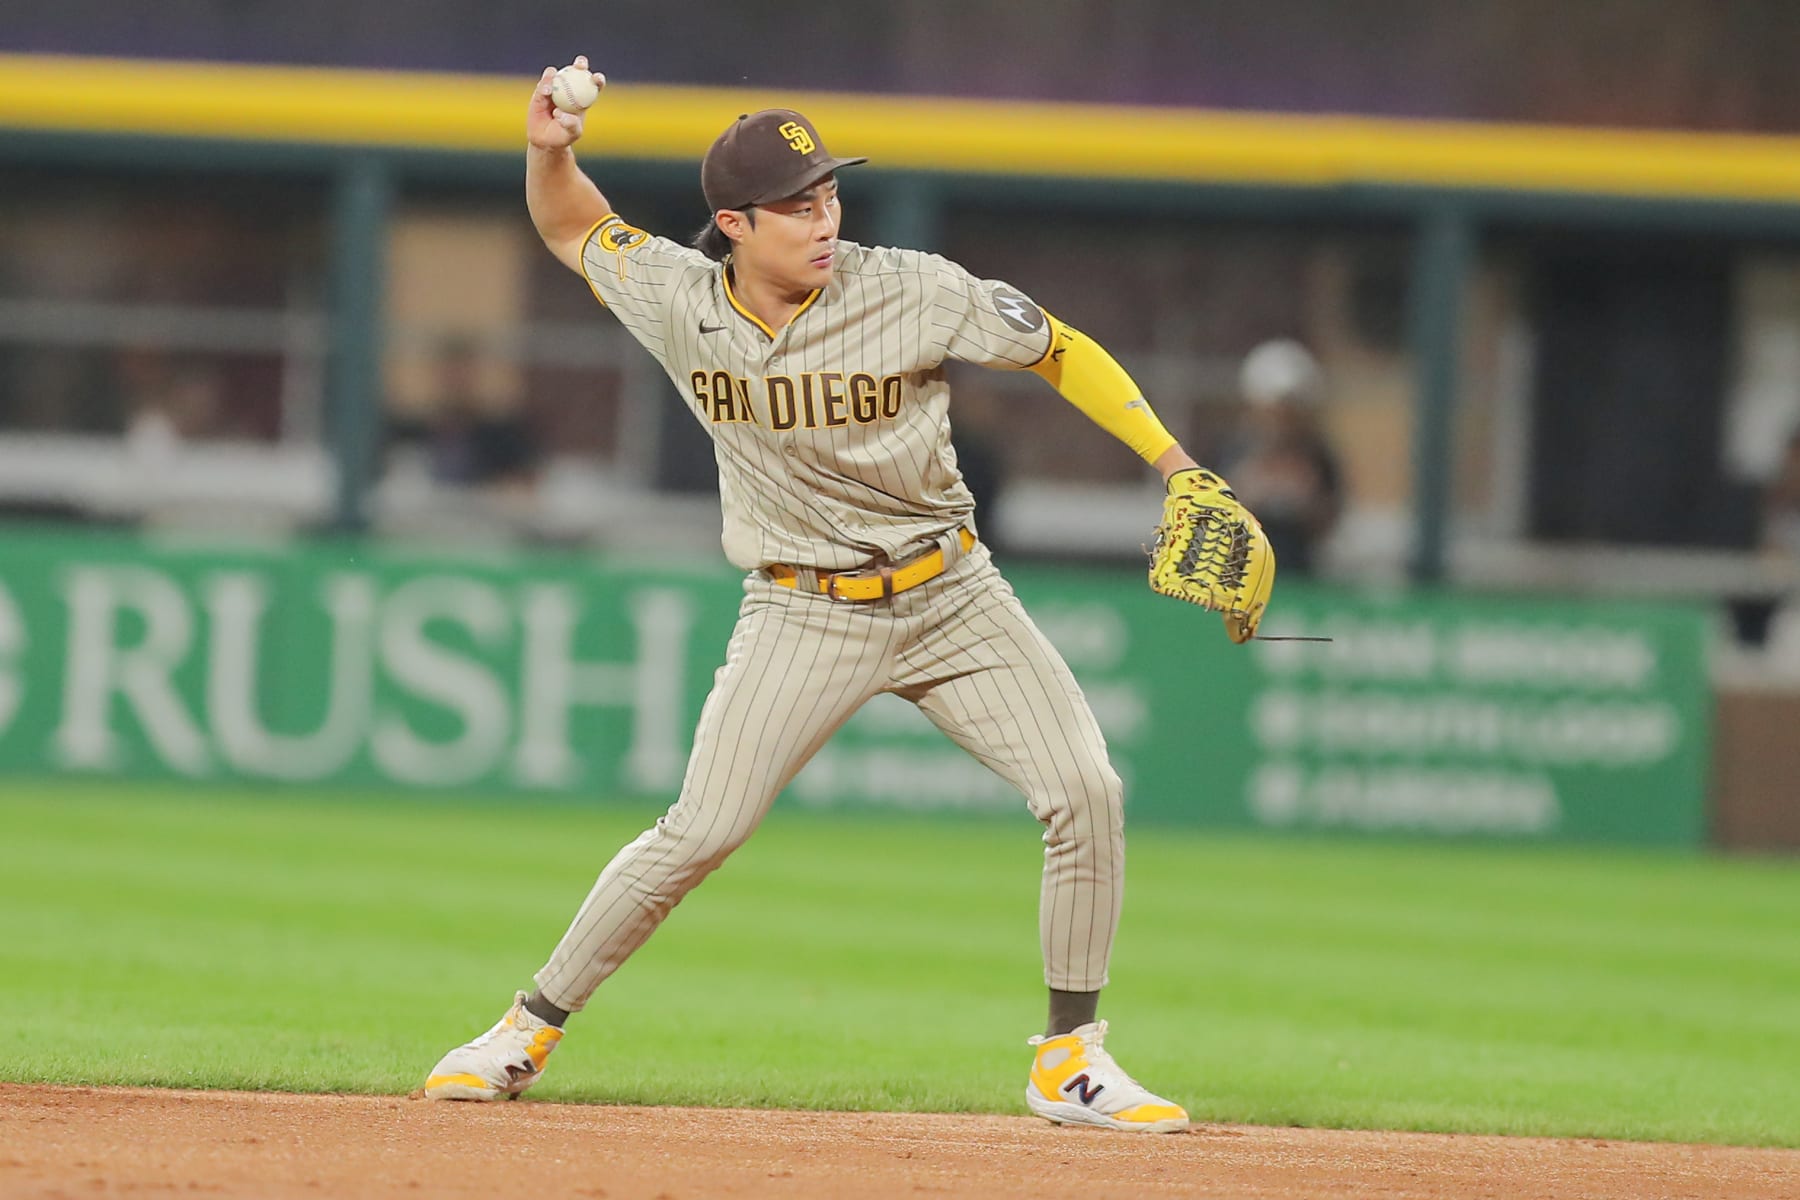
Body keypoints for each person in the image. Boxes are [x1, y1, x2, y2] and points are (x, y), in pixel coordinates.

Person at [422, 56, 1265, 1134]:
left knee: (1085, 791)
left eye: (828, 196)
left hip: (953, 593)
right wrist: (550, 147)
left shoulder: (910, 286)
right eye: (794, 208)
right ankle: (524, 1030)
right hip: (802, 607)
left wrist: (1176, 462)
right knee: (701, 830)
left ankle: (1070, 1060)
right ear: (732, 224)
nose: (823, 221)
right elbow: (570, 225)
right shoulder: (678, 299)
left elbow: (1062, 351)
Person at [1215, 339, 1343, 577]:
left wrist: (1304, 499)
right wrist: (1249, 489)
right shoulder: (1230, 450)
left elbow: (1331, 517)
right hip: (1237, 571)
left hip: (1297, 572)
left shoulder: (1316, 454)